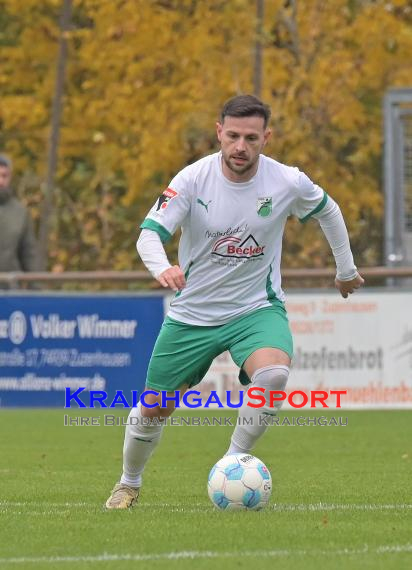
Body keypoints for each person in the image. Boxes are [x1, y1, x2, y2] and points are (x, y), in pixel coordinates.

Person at [105, 94, 364, 509]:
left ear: (266, 138)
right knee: (154, 409)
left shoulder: (287, 181)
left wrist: (345, 269)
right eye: (233, 136)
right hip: (193, 314)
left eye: (251, 137)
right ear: (219, 133)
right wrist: (162, 268)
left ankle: (231, 462)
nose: (240, 146)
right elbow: (148, 233)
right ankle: (128, 483)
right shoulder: (192, 179)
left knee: (274, 375)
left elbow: (328, 210)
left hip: (255, 309)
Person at [0, 155, 40, 277]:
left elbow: (29, 254)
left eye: (4, 176)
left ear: (10, 177)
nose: (0, 181)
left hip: (9, 289)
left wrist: (36, 290)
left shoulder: (20, 213)